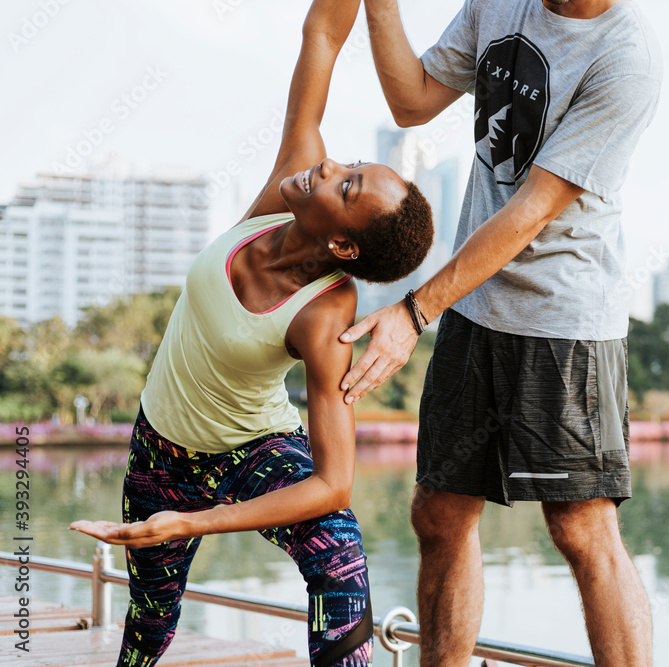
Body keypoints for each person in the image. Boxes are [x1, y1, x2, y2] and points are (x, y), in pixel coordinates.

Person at [68, 1, 433, 666]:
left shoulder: (326, 316)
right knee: (151, 623)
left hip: (252, 449)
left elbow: (334, 484)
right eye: (347, 163)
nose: (326, 167)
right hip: (160, 450)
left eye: (346, 183)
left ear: (346, 246)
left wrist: (194, 521)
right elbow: (323, 32)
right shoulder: (283, 189)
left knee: (340, 551)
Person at [338, 0, 662, 665]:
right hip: (473, 303)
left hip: (564, 321)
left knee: (581, 527)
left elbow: (532, 210)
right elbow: (412, 99)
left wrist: (413, 311)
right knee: (439, 512)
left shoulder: (626, 59)